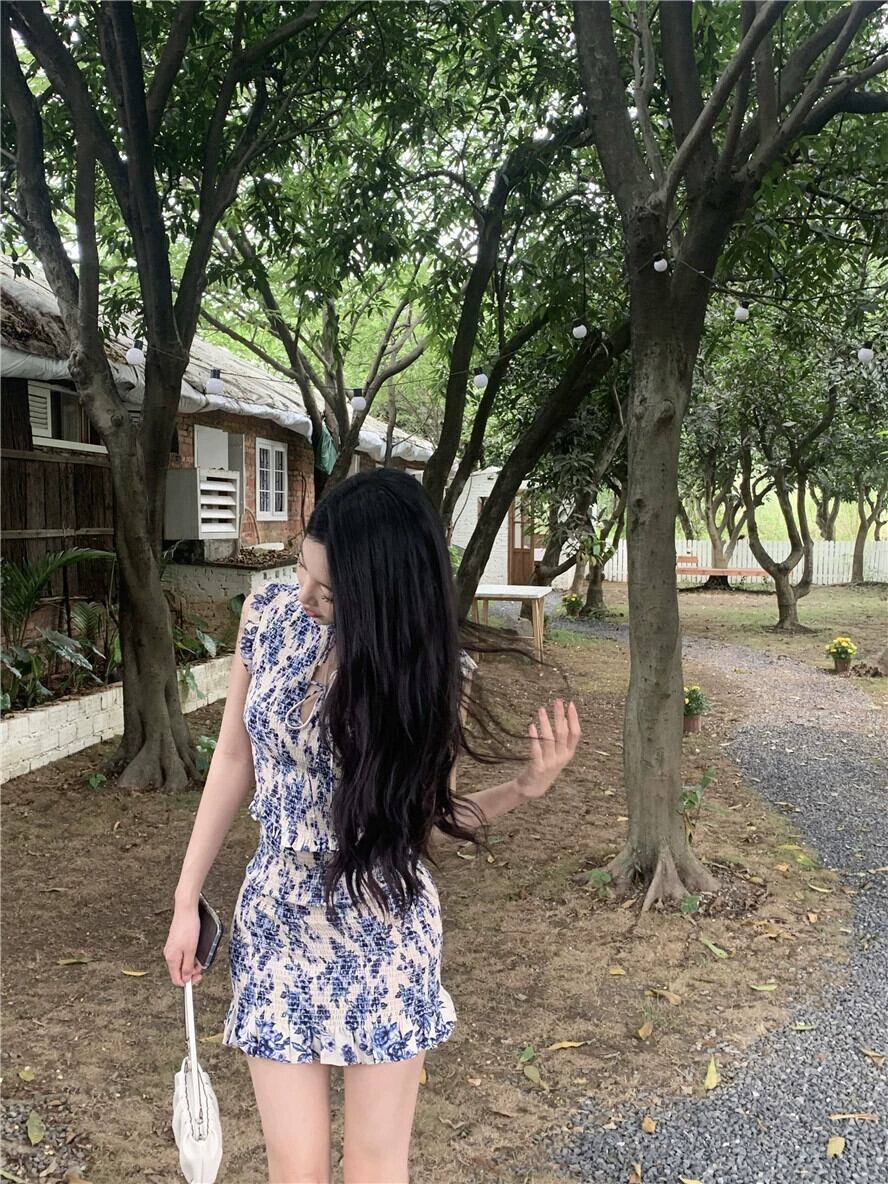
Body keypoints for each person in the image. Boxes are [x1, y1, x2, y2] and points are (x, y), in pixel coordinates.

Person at [164, 467, 582, 1184]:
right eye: (302, 568)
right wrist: (185, 897)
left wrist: (523, 788)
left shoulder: (430, 675)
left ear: (380, 593)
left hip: (384, 930)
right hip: (278, 921)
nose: (304, 595)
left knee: (374, 1166)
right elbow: (234, 758)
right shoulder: (266, 616)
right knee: (295, 1170)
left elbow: (424, 827)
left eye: (327, 591)